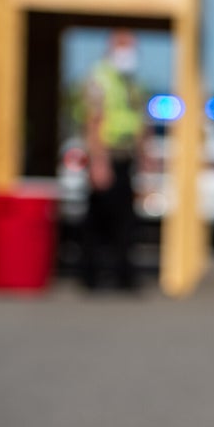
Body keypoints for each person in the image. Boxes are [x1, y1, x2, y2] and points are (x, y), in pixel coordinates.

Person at [79, 30, 145, 291]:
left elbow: (138, 120)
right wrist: (98, 162)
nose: (130, 52)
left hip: (125, 158)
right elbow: (93, 123)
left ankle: (122, 276)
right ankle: (91, 277)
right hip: (106, 157)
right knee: (98, 221)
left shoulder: (129, 81)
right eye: (126, 45)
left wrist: (145, 153)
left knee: (125, 222)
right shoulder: (100, 78)